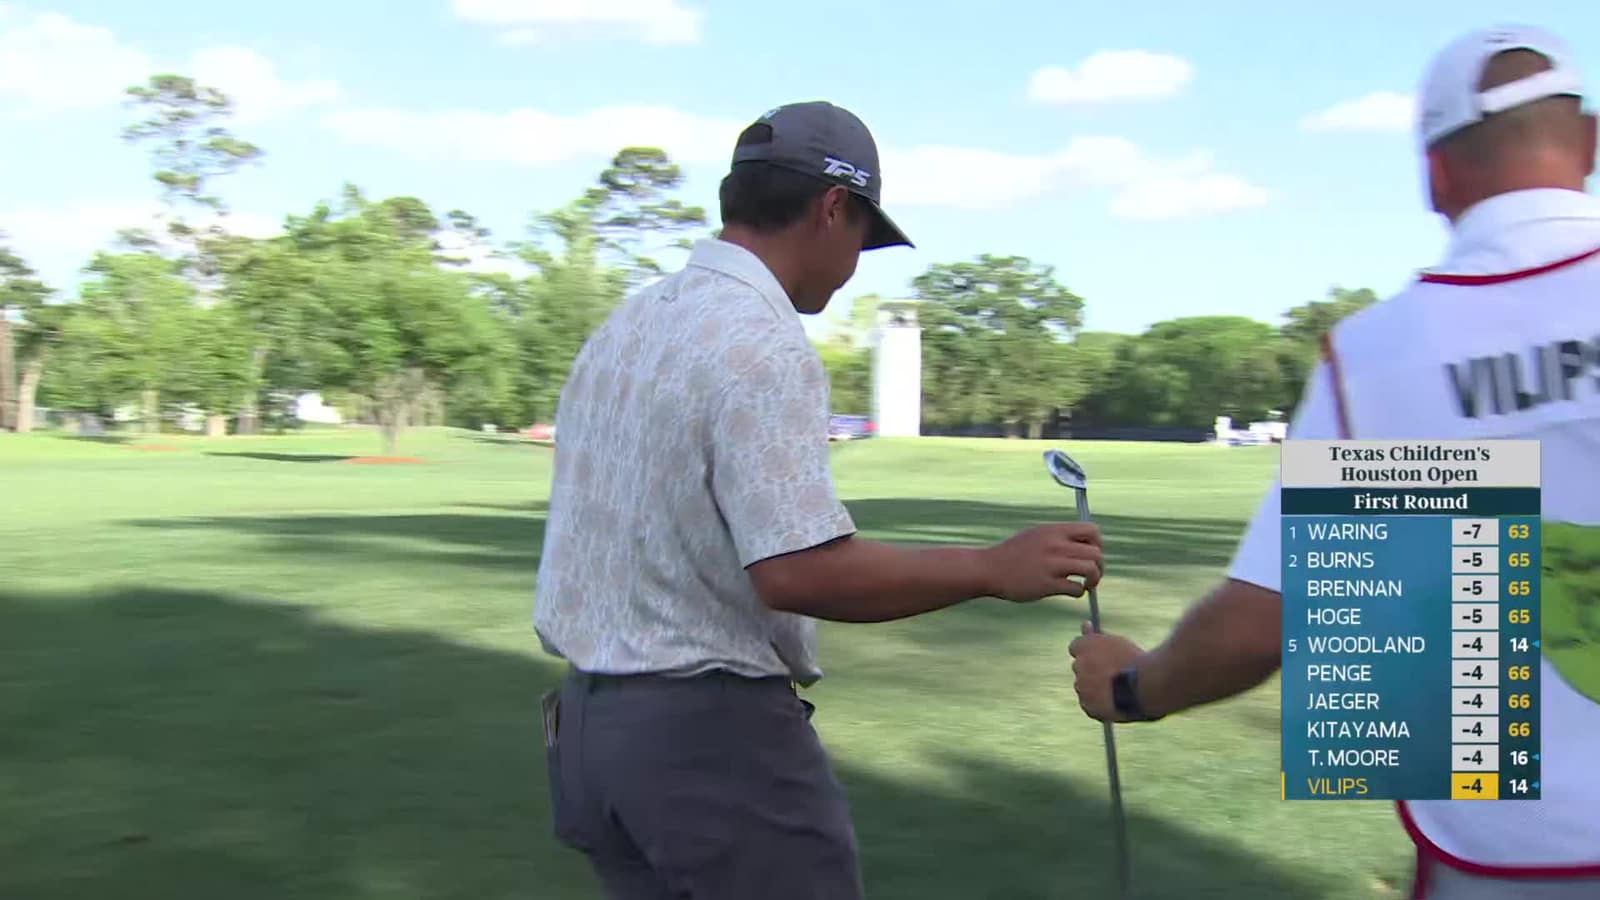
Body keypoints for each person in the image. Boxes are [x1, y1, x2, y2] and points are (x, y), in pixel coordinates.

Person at [1068, 24, 1600, 899]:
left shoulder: (1386, 359)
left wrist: (1133, 688)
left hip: (1504, 849)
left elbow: (1267, 625)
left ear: (1436, 176)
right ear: (1589, 143)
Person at [534, 100, 1106, 900]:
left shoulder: (629, 324)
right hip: (707, 742)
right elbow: (799, 572)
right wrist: (990, 568)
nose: (856, 264)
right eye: (864, 239)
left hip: (593, 734)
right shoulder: (760, 339)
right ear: (833, 208)